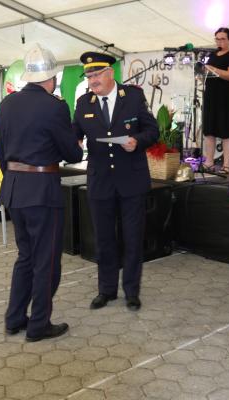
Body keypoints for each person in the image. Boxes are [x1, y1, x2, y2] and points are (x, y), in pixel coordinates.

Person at [0, 44, 83, 342]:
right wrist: (74, 144)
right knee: (46, 261)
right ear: (52, 78)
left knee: (25, 257)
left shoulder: (7, 104)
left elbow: (0, 151)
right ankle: (39, 325)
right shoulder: (55, 106)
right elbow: (72, 154)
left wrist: (15, 177)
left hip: (14, 189)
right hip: (42, 192)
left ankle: (14, 318)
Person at [73, 52, 159, 312]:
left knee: (132, 239)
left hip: (131, 180)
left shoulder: (132, 97)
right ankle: (106, 290)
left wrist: (137, 141)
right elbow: (75, 133)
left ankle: (131, 292)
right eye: (88, 76)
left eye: (96, 75)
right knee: (104, 239)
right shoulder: (83, 103)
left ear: (110, 73)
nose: (92, 81)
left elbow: (152, 130)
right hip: (100, 182)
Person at [202, 27, 229, 175]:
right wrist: (201, 74)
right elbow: (204, 74)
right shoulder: (211, 55)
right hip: (211, 98)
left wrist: (213, 69)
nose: (219, 42)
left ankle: (226, 165)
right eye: (217, 39)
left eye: (223, 39)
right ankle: (209, 162)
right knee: (209, 131)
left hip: (228, 99)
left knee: (227, 133)